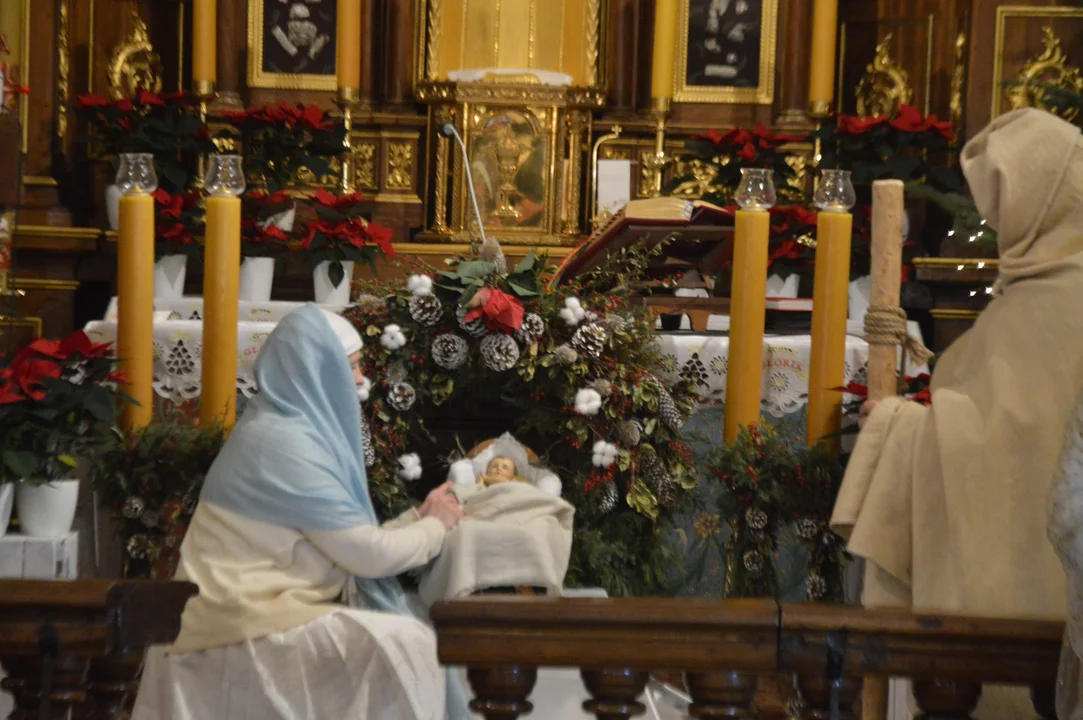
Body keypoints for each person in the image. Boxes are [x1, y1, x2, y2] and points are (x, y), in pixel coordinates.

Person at [832, 108, 1083, 717]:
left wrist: (900, 429)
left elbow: (1013, 459)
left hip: (1029, 627)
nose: (995, 226)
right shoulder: (1040, 291)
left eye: (1003, 206)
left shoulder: (1053, 305)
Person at [131, 305, 467, 720]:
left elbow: (344, 540)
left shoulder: (285, 427)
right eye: (354, 367)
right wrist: (435, 526)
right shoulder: (283, 442)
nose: (362, 379)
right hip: (235, 624)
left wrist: (420, 520)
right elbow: (367, 555)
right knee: (407, 642)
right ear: (317, 373)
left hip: (262, 612)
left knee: (406, 635)